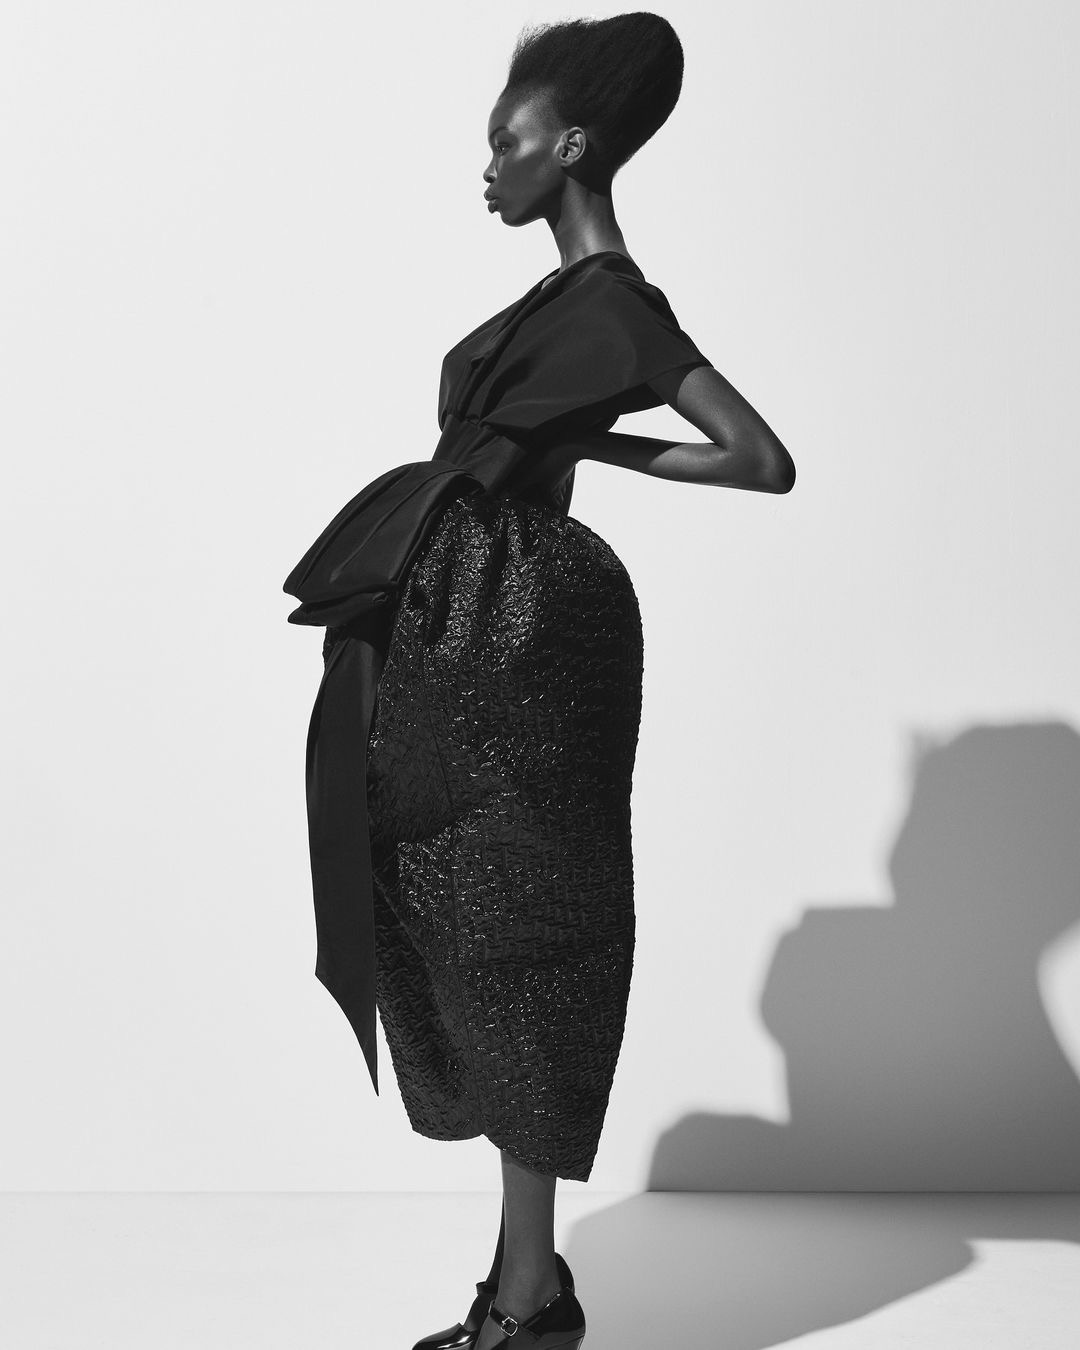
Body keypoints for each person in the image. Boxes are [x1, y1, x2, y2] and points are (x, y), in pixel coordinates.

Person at [283, 12, 794, 1350]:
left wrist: (601, 449)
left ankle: (529, 1298)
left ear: (569, 145)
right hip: (445, 615)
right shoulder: (557, 303)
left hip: (517, 632)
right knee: (454, 913)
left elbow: (760, 459)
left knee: (522, 934)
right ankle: (529, 1285)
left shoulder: (616, 304)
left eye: (505, 141)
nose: (488, 166)